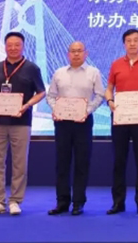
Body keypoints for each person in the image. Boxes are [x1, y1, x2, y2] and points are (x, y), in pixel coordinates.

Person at [0, 31, 46, 216]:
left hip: (21, 122)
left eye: (17, 45)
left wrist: (27, 106)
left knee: (20, 163)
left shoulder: (32, 68)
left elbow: (41, 92)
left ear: (23, 46)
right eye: (10, 45)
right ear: (5, 46)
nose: (13, 48)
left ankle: (15, 201)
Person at [46, 41, 105, 216]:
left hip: (83, 122)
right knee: (62, 163)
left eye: (79, 51)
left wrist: (87, 110)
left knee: (81, 162)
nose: (76, 54)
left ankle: (78, 202)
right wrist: (56, 109)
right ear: (68, 54)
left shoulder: (94, 72)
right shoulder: (59, 73)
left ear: (86, 53)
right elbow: (51, 96)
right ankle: (62, 202)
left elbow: (100, 95)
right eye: (73, 51)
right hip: (62, 122)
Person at [105, 29, 138, 215]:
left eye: (136, 40)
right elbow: (109, 88)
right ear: (124, 44)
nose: (132, 44)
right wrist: (110, 101)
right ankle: (118, 202)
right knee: (118, 160)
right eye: (128, 41)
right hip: (120, 116)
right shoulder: (116, 64)